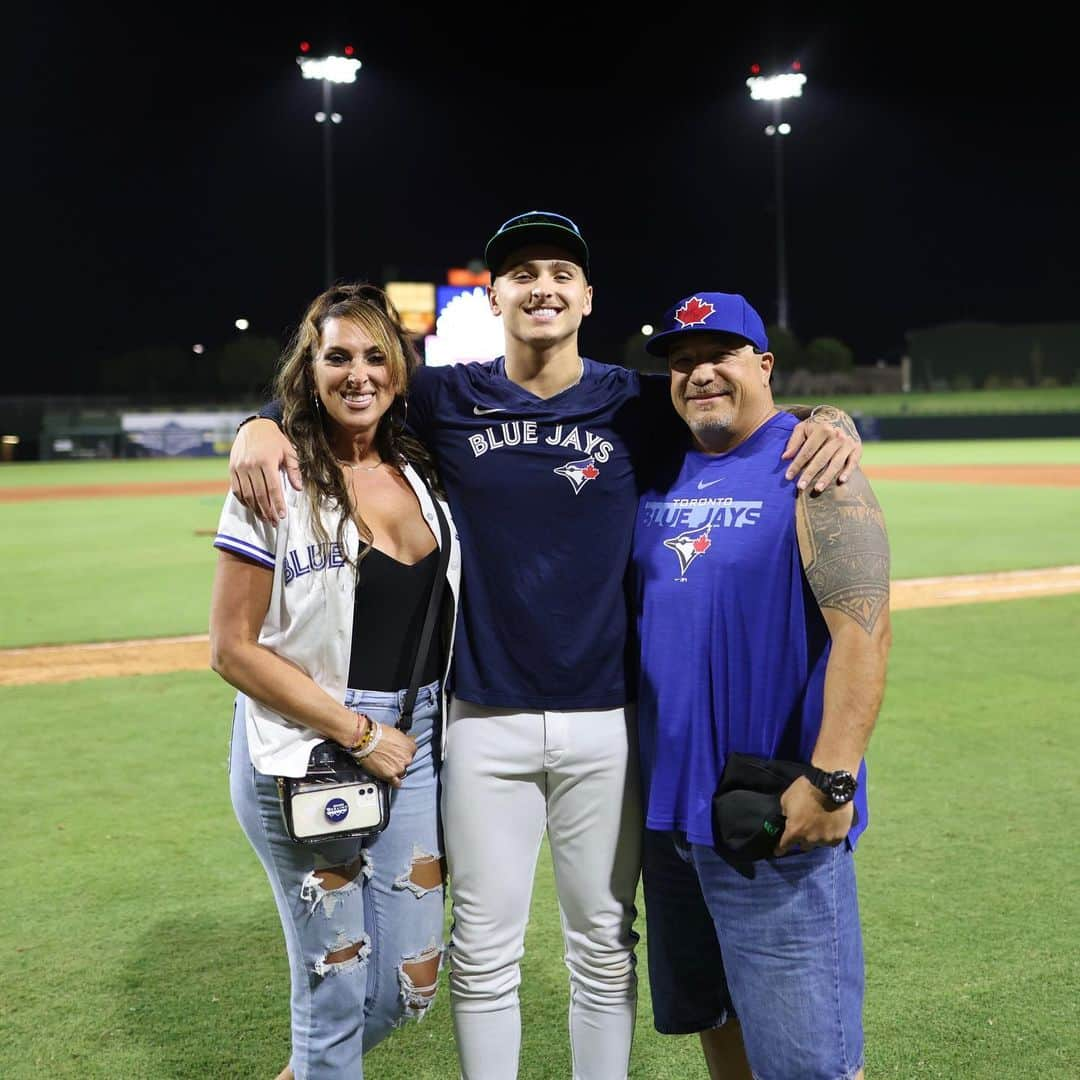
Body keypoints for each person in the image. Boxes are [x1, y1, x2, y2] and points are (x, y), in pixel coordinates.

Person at [228, 212, 864, 1079]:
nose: (543, 286)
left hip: (606, 719)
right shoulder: (446, 396)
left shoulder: (635, 401)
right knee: (484, 952)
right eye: (522, 273)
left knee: (604, 945)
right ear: (496, 297)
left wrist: (832, 417)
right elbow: (347, 389)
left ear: (586, 297)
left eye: (561, 272)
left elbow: (739, 407)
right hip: (480, 716)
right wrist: (261, 423)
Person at [631, 291, 892, 1080]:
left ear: (765, 365)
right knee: (716, 1021)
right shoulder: (659, 464)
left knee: (806, 1061)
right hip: (668, 817)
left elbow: (865, 629)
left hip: (771, 811)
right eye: (681, 362)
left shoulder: (812, 464)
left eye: (720, 356)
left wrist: (831, 779)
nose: (699, 374)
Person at [209, 282, 461, 1080]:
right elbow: (232, 649)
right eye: (337, 356)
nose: (359, 374)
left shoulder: (420, 466)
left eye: (375, 356)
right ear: (308, 369)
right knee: (336, 991)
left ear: (399, 368)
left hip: (414, 741)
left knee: (408, 985)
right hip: (312, 751)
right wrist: (358, 733)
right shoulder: (272, 481)